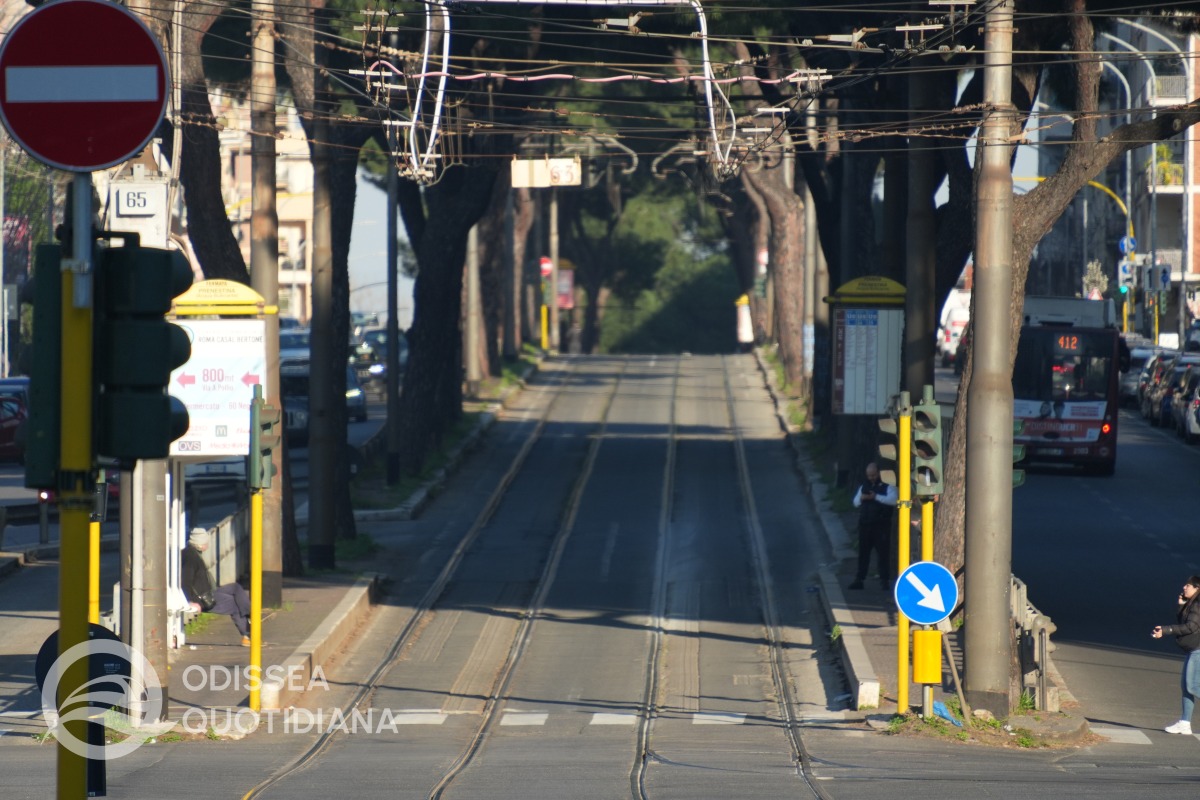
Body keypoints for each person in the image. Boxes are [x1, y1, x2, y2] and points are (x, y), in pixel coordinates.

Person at [182, 528, 253, 647]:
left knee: (235, 587)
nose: (208, 545)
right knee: (234, 605)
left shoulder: (191, 552)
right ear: (200, 543)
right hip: (203, 598)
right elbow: (185, 581)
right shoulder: (191, 558)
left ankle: (250, 613)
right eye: (206, 543)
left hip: (208, 591)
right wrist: (190, 601)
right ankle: (248, 635)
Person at [1152, 575, 1200, 734]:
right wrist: (1181, 607)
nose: (1184, 588)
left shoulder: (1198, 604)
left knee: (1192, 686)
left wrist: (1167, 630)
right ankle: (1185, 723)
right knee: (1186, 687)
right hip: (1193, 649)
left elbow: (1191, 626)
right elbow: (1186, 623)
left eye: (1188, 585)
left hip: (1198, 650)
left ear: (1197, 588)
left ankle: (1184, 722)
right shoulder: (1192, 603)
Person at [848, 462, 898, 591]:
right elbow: (855, 502)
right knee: (863, 554)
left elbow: (893, 500)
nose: (871, 478)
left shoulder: (888, 486)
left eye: (874, 475)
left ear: (879, 473)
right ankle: (859, 579)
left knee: (883, 555)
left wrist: (875, 497)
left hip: (881, 526)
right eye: (869, 476)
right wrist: (863, 498)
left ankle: (884, 581)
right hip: (865, 526)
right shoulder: (865, 485)